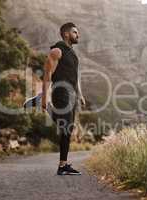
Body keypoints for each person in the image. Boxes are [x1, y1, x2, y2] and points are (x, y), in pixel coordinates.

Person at [41, 22, 86, 175]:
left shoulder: (73, 54)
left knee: (68, 129)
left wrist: (80, 94)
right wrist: (44, 97)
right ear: (66, 34)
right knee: (65, 127)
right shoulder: (57, 51)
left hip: (72, 94)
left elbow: (75, 76)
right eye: (75, 32)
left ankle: (63, 165)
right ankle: (62, 166)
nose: (78, 35)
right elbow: (47, 75)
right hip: (60, 92)